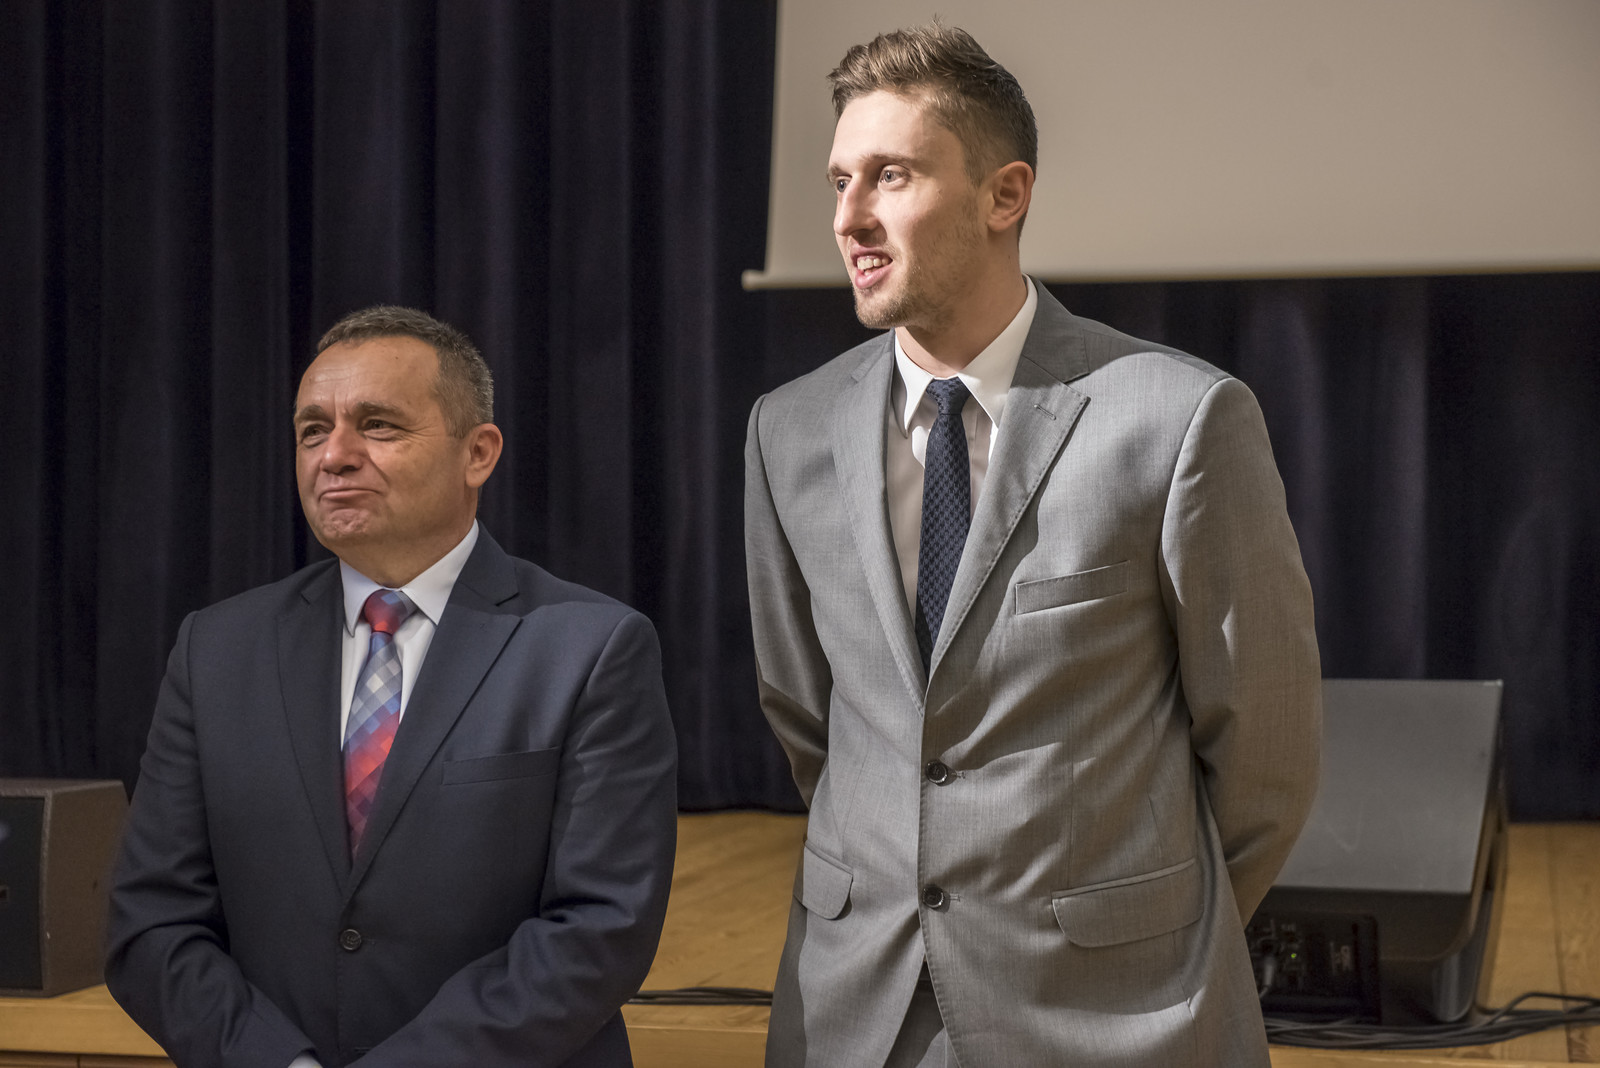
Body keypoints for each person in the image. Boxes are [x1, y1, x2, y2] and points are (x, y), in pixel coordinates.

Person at [744, 23, 1321, 1068]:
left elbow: (1263, 750)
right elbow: (808, 717)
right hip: (858, 1009)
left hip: (1116, 1012)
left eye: (890, 177)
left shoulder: (1177, 418)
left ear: (1003, 196)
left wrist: (1144, 927)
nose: (847, 218)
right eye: (838, 181)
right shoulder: (787, 430)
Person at [106, 306, 677, 1067]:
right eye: (313, 431)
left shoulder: (590, 647)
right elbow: (152, 921)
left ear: (478, 453)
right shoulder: (215, 649)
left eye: (377, 426)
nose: (334, 456)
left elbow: (599, 929)